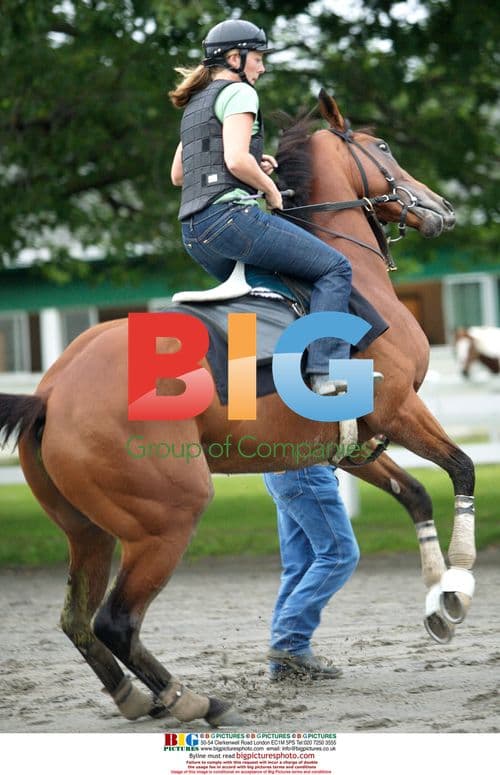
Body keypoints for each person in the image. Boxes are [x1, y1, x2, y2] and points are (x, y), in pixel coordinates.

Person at [169, 19, 355, 396]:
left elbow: (178, 174)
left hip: (195, 233)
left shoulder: (196, 104)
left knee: (269, 291)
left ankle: (262, 386)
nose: (262, 67)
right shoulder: (239, 93)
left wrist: (258, 162)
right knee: (336, 268)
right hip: (231, 221)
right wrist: (270, 190)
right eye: (257, 58)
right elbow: (236, 160)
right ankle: (323, 371)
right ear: (235, 58)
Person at [263, 464, 360, 680]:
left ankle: (283, 665)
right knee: (340, 554)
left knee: (300, 566)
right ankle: (290, 643)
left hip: (280, 472)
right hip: (307, 470)